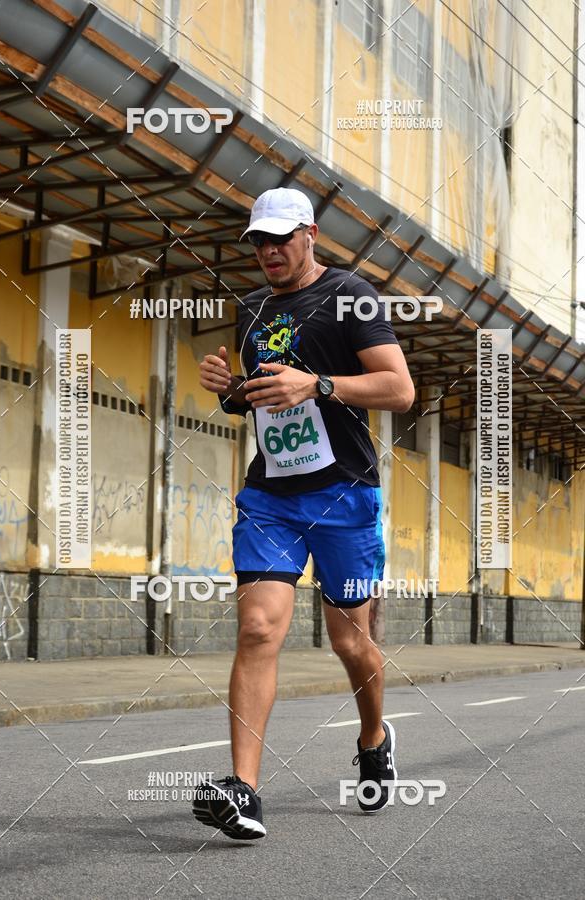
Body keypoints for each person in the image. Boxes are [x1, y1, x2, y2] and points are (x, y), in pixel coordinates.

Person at [192, 187, 414, 839]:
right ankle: (243, 793)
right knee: (259, 629)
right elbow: (267, 397)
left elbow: (399, 389)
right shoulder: (251, 309)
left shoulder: (351, 295)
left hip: (345, 494)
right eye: (258, 240)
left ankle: (374, 737)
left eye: (280, 238)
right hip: (272, 496)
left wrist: (317, 383)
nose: (268, 251)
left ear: (310, 234)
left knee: (350, 640)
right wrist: (234, 393)